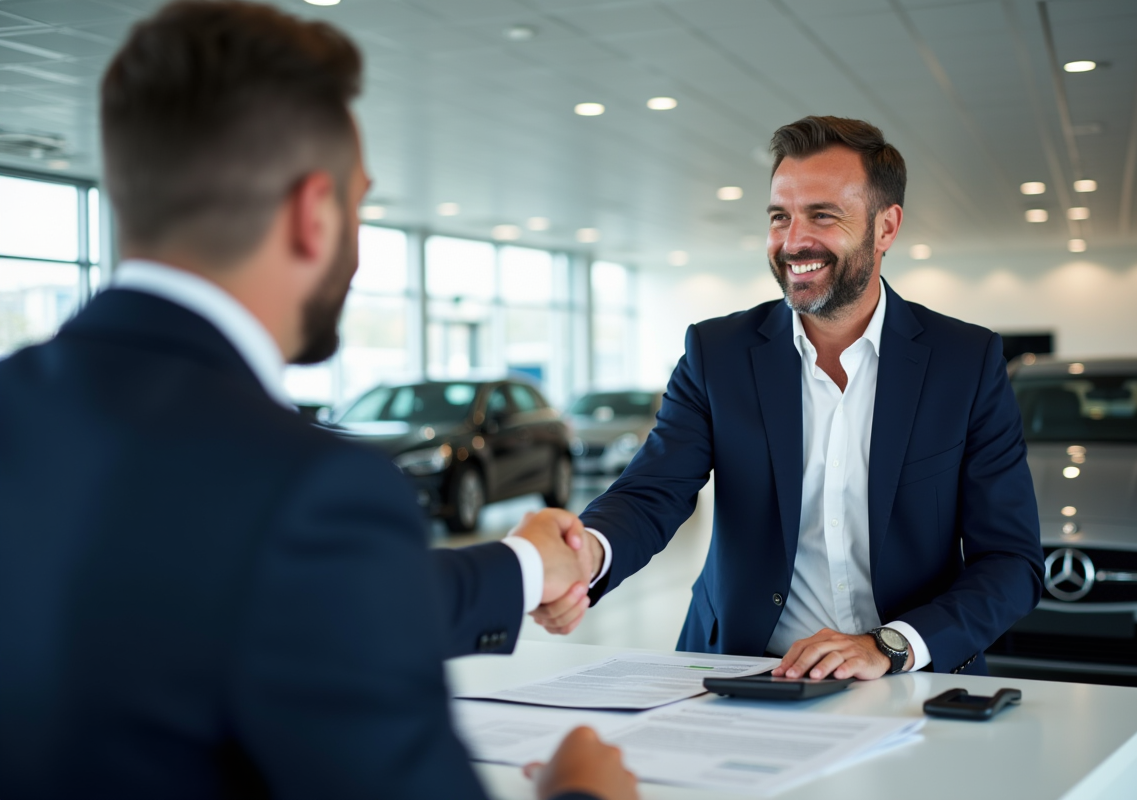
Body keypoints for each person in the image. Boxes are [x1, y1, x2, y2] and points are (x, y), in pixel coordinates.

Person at [0, 3, 636, 799]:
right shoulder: (309, 490)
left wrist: (520, 567)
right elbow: (289, 573)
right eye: (360, 203)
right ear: (313, 214)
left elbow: (225, 589)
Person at [534, 116, 1044, 681]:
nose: (793, 241)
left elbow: (1011, 562)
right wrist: (587, 555)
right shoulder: (718, 353)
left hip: (908, 678)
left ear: (886, 227)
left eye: (822, 215)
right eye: (780, 217)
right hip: (744, 672)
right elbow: (653, 490)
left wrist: (891, 645)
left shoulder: (964, 363)